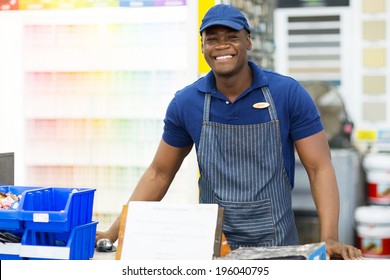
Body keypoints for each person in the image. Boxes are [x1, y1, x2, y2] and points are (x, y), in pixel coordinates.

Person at [96, 4, 362, 260]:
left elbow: (319, 168)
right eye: (212, 39)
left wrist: (329, 237)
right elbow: (159, 173)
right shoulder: (186, 102)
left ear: (248, 41)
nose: (221, 46)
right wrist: (114, 232)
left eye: (231, 37)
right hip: (213, 248)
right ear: (202, 46)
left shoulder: (287, 94)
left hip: (278, 248)